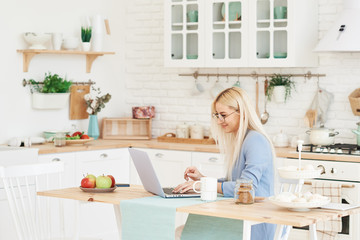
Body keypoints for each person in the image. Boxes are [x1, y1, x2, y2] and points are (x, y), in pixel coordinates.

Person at [173, 87, 276, 240]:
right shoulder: (242, 140)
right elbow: (233, 182)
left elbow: (246, 188)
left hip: (255, 223)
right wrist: (202, 179)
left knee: (185, 232)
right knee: (185, 230)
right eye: (217, 115)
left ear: (241, 112)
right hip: (244, 216)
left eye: (223, 115)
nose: (219, 121)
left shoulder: (255, 140)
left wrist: (204, 185)